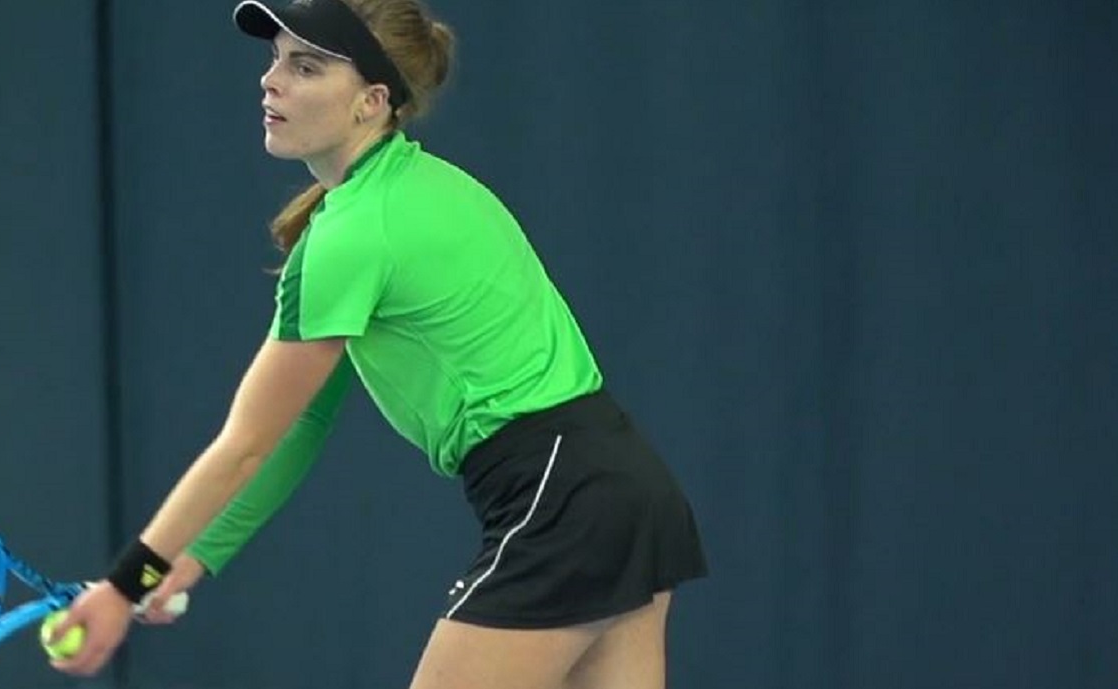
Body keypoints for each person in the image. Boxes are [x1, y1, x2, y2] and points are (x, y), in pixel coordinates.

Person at [49, 0, 708, 687]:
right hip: (625, 484)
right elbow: (301, 422)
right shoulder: (417, 191)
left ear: (371, 101)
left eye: (304, 66)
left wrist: (127, 584)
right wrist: (200, 550)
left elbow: (244, 443)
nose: (271, 81)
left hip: (558, 497)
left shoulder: (353, 236)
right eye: (274, 60)